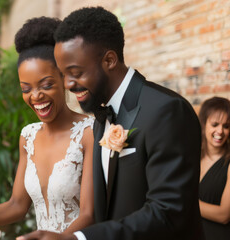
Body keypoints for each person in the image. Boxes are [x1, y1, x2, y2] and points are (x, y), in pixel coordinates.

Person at [18, 6, 204, 240]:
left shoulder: (166, 111)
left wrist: (77, 238)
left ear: (109, 60)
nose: (68, 84)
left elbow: (168, 213)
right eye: (64, 74)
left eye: (75, 72)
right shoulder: (101, 119)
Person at [0, 17, 95, 233]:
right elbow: (16, 206)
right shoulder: (28, 136)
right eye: (26, 89)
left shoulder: (89, 132)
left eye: (46, 85)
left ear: (64, 79)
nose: (36, 96)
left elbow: (89, 214)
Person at [198, 96, 230, 240]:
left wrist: (185, 202)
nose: (220, 131)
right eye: (215, 124)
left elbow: (224, 215)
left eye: (226, 126)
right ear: (204, 124)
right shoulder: (194, 156)